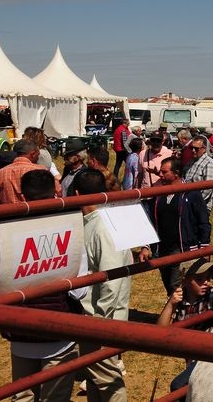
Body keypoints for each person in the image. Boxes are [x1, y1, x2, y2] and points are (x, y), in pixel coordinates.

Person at [5, 170, 86, 402]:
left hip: (20, 329)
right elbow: (81, 289)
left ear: (22, 197)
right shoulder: (69, 226)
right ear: (56, 193)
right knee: (56, 398)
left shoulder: (6, 229)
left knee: (21, 397)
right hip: (58, 331)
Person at [73, 169, 132, 402]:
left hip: (101, 319)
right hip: (98, 316)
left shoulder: (102, 227)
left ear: (77, 193)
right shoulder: (101, 222)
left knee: (107, 379)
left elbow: (112, 279)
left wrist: (100, 320)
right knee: (96, 376)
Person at [156, 258, 213, 392]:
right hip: (193, 360)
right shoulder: (178, 300)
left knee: (178, 387)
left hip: (211, 358)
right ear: (185, 281)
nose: (206, 283)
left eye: (208, 278)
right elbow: (159, 332)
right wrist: (170, 304)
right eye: (200, 279)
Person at [141, 158, 212, 295]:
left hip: (182, 247)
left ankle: (179, 313)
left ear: (176, 173)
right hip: (162, 249)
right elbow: (152, 222)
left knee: (176, 286)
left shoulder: (191, 193)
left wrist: (204, 248)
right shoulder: (158, 195)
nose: (160, 175)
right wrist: (146, 246)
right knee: (168, 284)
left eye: (164, 172)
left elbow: (203, 222)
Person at [0, 139, 47, 204]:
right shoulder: (42, 171)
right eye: (38, 155)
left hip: (8, 213)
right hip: (36, 212)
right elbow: (58, 193)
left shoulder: (0, 173)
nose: (38, 158)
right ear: (33, 154)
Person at [183, 135, 213, 210]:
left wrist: (193, 202)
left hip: (201, 206)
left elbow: (208, 188)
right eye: (192, 148)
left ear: (204, 149)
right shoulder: (191, 162)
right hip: (188, 203)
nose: (193, 151)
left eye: (196, 149)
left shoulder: (209, 163)